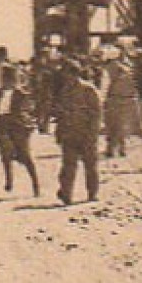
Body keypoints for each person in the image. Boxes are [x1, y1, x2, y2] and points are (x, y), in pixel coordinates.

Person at [0, 67, 39, 195]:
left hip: (17, 126)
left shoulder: (22, 94)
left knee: (25, 156)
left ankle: (35, 185)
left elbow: (29, 110)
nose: (8, 82)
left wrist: (27, 122)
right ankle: (9, 181)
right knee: (6, 154)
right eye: (6, 79)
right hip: (1, 125)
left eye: (11, 79)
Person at [55, 59, 101, 204]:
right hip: (69, 133)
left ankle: (92, 193)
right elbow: (61, 114)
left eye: (68, 74)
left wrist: (93, 133)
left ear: (75, 74)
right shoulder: (64, 90)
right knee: (68, 166)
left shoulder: (89, 90)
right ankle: (67, 194)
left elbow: (96, 114)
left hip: (85, 133)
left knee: (90, 165)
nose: (66, 78)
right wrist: (59, 131)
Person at [101, 50, 141, 158]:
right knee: (121, 125)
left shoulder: (110, 68)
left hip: (116, 99)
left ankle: (112, 149)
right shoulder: (129, 67)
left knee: (113, 124)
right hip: (125, 100)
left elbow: (105, 85)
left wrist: (103, 100)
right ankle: (120, 149)